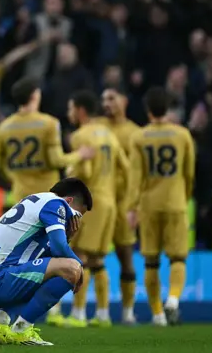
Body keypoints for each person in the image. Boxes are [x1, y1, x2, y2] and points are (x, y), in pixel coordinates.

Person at [0, 178, 90, 346]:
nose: (75, 221)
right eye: (76, 215)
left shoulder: (38, 202)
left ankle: (0, 322)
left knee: (52, 272)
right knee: (71, 269)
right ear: (68, 200)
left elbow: (48, 258)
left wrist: (68, 237)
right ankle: (22, 329)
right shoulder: (56, 203)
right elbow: (59, 248)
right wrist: (79, 268)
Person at [128, 86, 195, 326]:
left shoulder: (138, 137)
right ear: (168, 108)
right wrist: (183, 197)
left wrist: (132, 208)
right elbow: (189, 173)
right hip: (175, 202)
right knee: (178, 258)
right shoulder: (182, 135)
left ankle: (157, 314)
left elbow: (135, 177)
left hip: (148, 205)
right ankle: (173, 301)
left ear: (147, 110)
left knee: (151, 261)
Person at [64, 90, 131, 328]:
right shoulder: (110, 135)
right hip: (110, 201)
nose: (69, 112)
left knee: (80, 255)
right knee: (98, 259)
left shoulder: (80, 136)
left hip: (90, 202)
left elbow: (86, 174)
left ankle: (79, 313)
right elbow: (126, 167)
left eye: (71, 108)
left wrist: (70, 170)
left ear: (81, 110)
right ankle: (103, 315)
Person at [0, 77, 95, 204]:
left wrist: (15, 178)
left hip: (20, 195)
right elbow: (56, 161)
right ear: (35, 95)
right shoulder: (49, 123)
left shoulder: (4, 127)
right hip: (46, 194)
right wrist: (80, 154)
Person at [94, 87, 142, 325]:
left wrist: (138, 204)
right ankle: (100, 311)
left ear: (124, 100)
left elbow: (139, 172)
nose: (107, 103)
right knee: (94, 257)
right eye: (104, 99)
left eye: (111, 98)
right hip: (100, 201)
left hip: (123, 203)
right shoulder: (96, 128)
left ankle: (128, 311)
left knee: (126, 256)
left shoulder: (135, 133)